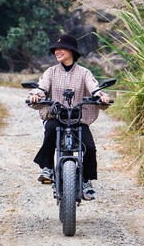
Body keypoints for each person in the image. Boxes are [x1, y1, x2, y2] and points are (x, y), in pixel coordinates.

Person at [27, 34, 110, 201]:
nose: (58, 51)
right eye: (56, 49)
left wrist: (101, 96)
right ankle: (48, 169)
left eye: (62, 48)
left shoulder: (84, 72)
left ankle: (86, 182)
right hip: (56, 116)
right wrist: (36, 95)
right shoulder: (50, 72)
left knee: (90, 148)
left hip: (78, 118)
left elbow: (94, 88)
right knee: (50, 129)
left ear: (72, 51)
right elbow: (41, 87)